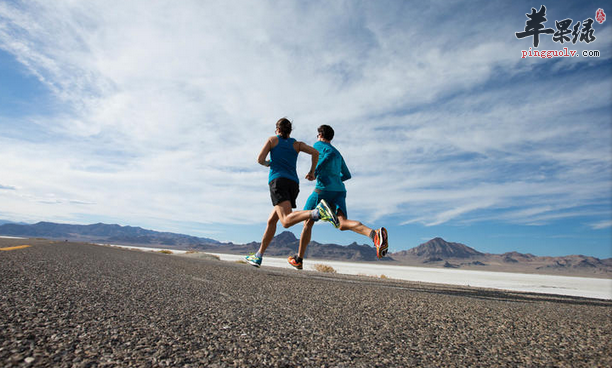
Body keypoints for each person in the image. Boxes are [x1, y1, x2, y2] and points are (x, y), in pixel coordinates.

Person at [287, 124, 388, 270]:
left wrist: (314, 172)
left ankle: (299, 259)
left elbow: (325, 157)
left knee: (307, 221)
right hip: (340, 190)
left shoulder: (319, 144)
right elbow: (347, 175)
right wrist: (336, 179)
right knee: (342, 224)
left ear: (320, 135)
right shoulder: (338, 153)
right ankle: (374, 234)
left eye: (317, 135)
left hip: (323, 190)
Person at [245, 118, 339, 267]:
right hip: (293, 184)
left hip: (278, 182)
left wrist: (269, 163)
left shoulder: (272, 140)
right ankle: (258, 255)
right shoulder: (297, 144)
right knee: (272, 220)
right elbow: (315, 153)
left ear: (278, 129)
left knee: (286, 220)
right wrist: (312, 172)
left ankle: (316, 212)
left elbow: (260, 159)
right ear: (290, 131)